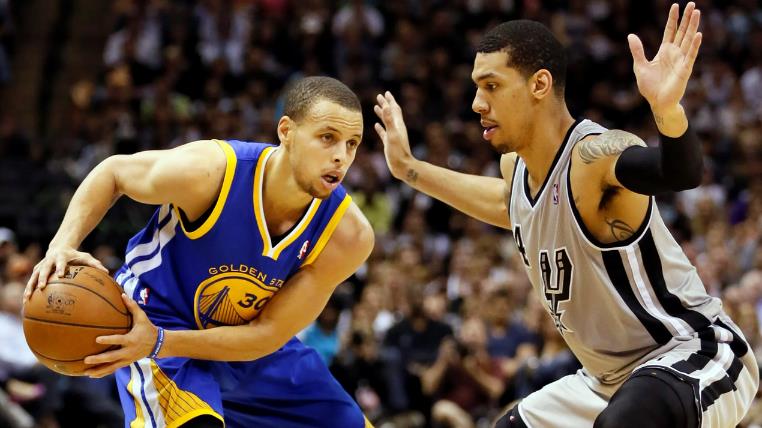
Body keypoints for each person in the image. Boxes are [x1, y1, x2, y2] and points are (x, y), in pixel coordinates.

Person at [373, 3, 758, 428]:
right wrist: (409, 169)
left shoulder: (593, 158)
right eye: (476, 87)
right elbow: (505, 204)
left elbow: (679, 172)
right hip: (607, 382)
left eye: (491, 86)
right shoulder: (516, 172)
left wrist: (667, 110)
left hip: (692, 351)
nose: (477, 103)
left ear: (539, 84)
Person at [25, 76, 375, 428]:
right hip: (154, 321)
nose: (340, 156)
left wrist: (164, 342)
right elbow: (114, 172)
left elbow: (267, 334)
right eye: (327, 137)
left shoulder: (348, 236)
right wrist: (62, 244)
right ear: (286, 131)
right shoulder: (211, 172)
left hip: (241, 342)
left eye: (352, 144)